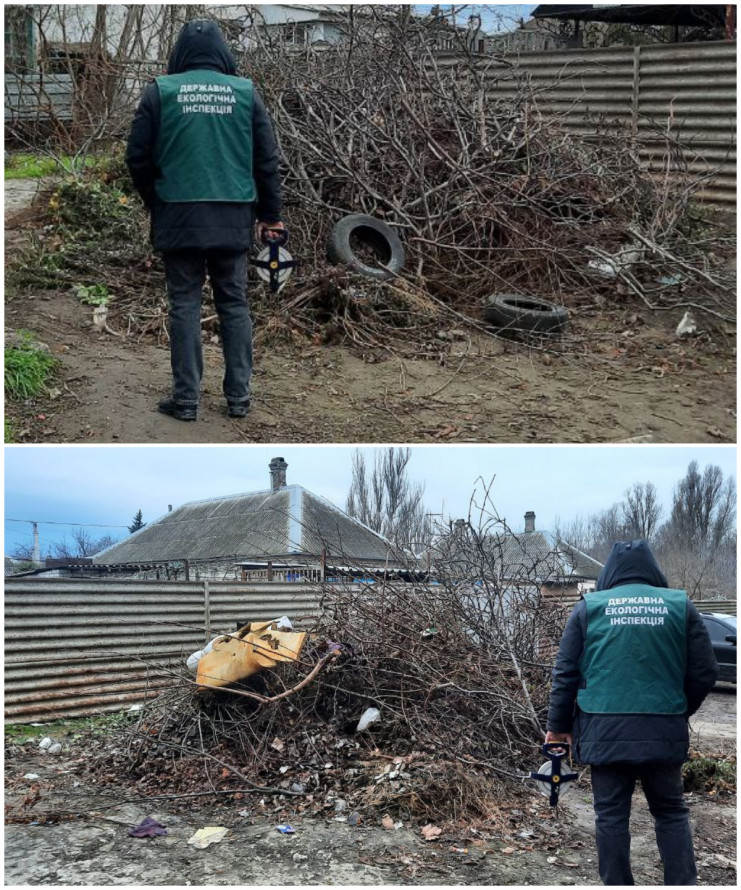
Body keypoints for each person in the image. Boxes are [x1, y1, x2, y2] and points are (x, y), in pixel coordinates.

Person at [126, 20, 284, 421]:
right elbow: (265, 161)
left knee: (184, 304)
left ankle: (186, 400)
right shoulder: (247, 94)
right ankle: (239, 399)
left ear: (180, 53)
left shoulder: (160, 91)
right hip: (232, 216)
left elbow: (137, 158)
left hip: (177, 215)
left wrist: (156, 201)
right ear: (223, 54)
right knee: (233, 303)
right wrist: (270, 216)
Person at [545, 540, 718, 886]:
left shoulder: (588, 608)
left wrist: (558, 726)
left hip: (604, 732)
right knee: (670, 812)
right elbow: (705, 672)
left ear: (610, 571)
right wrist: (678, 710)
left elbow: (566, 673)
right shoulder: (680, 606)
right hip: (663, 731)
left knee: (610, 816)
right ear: (653, 570)